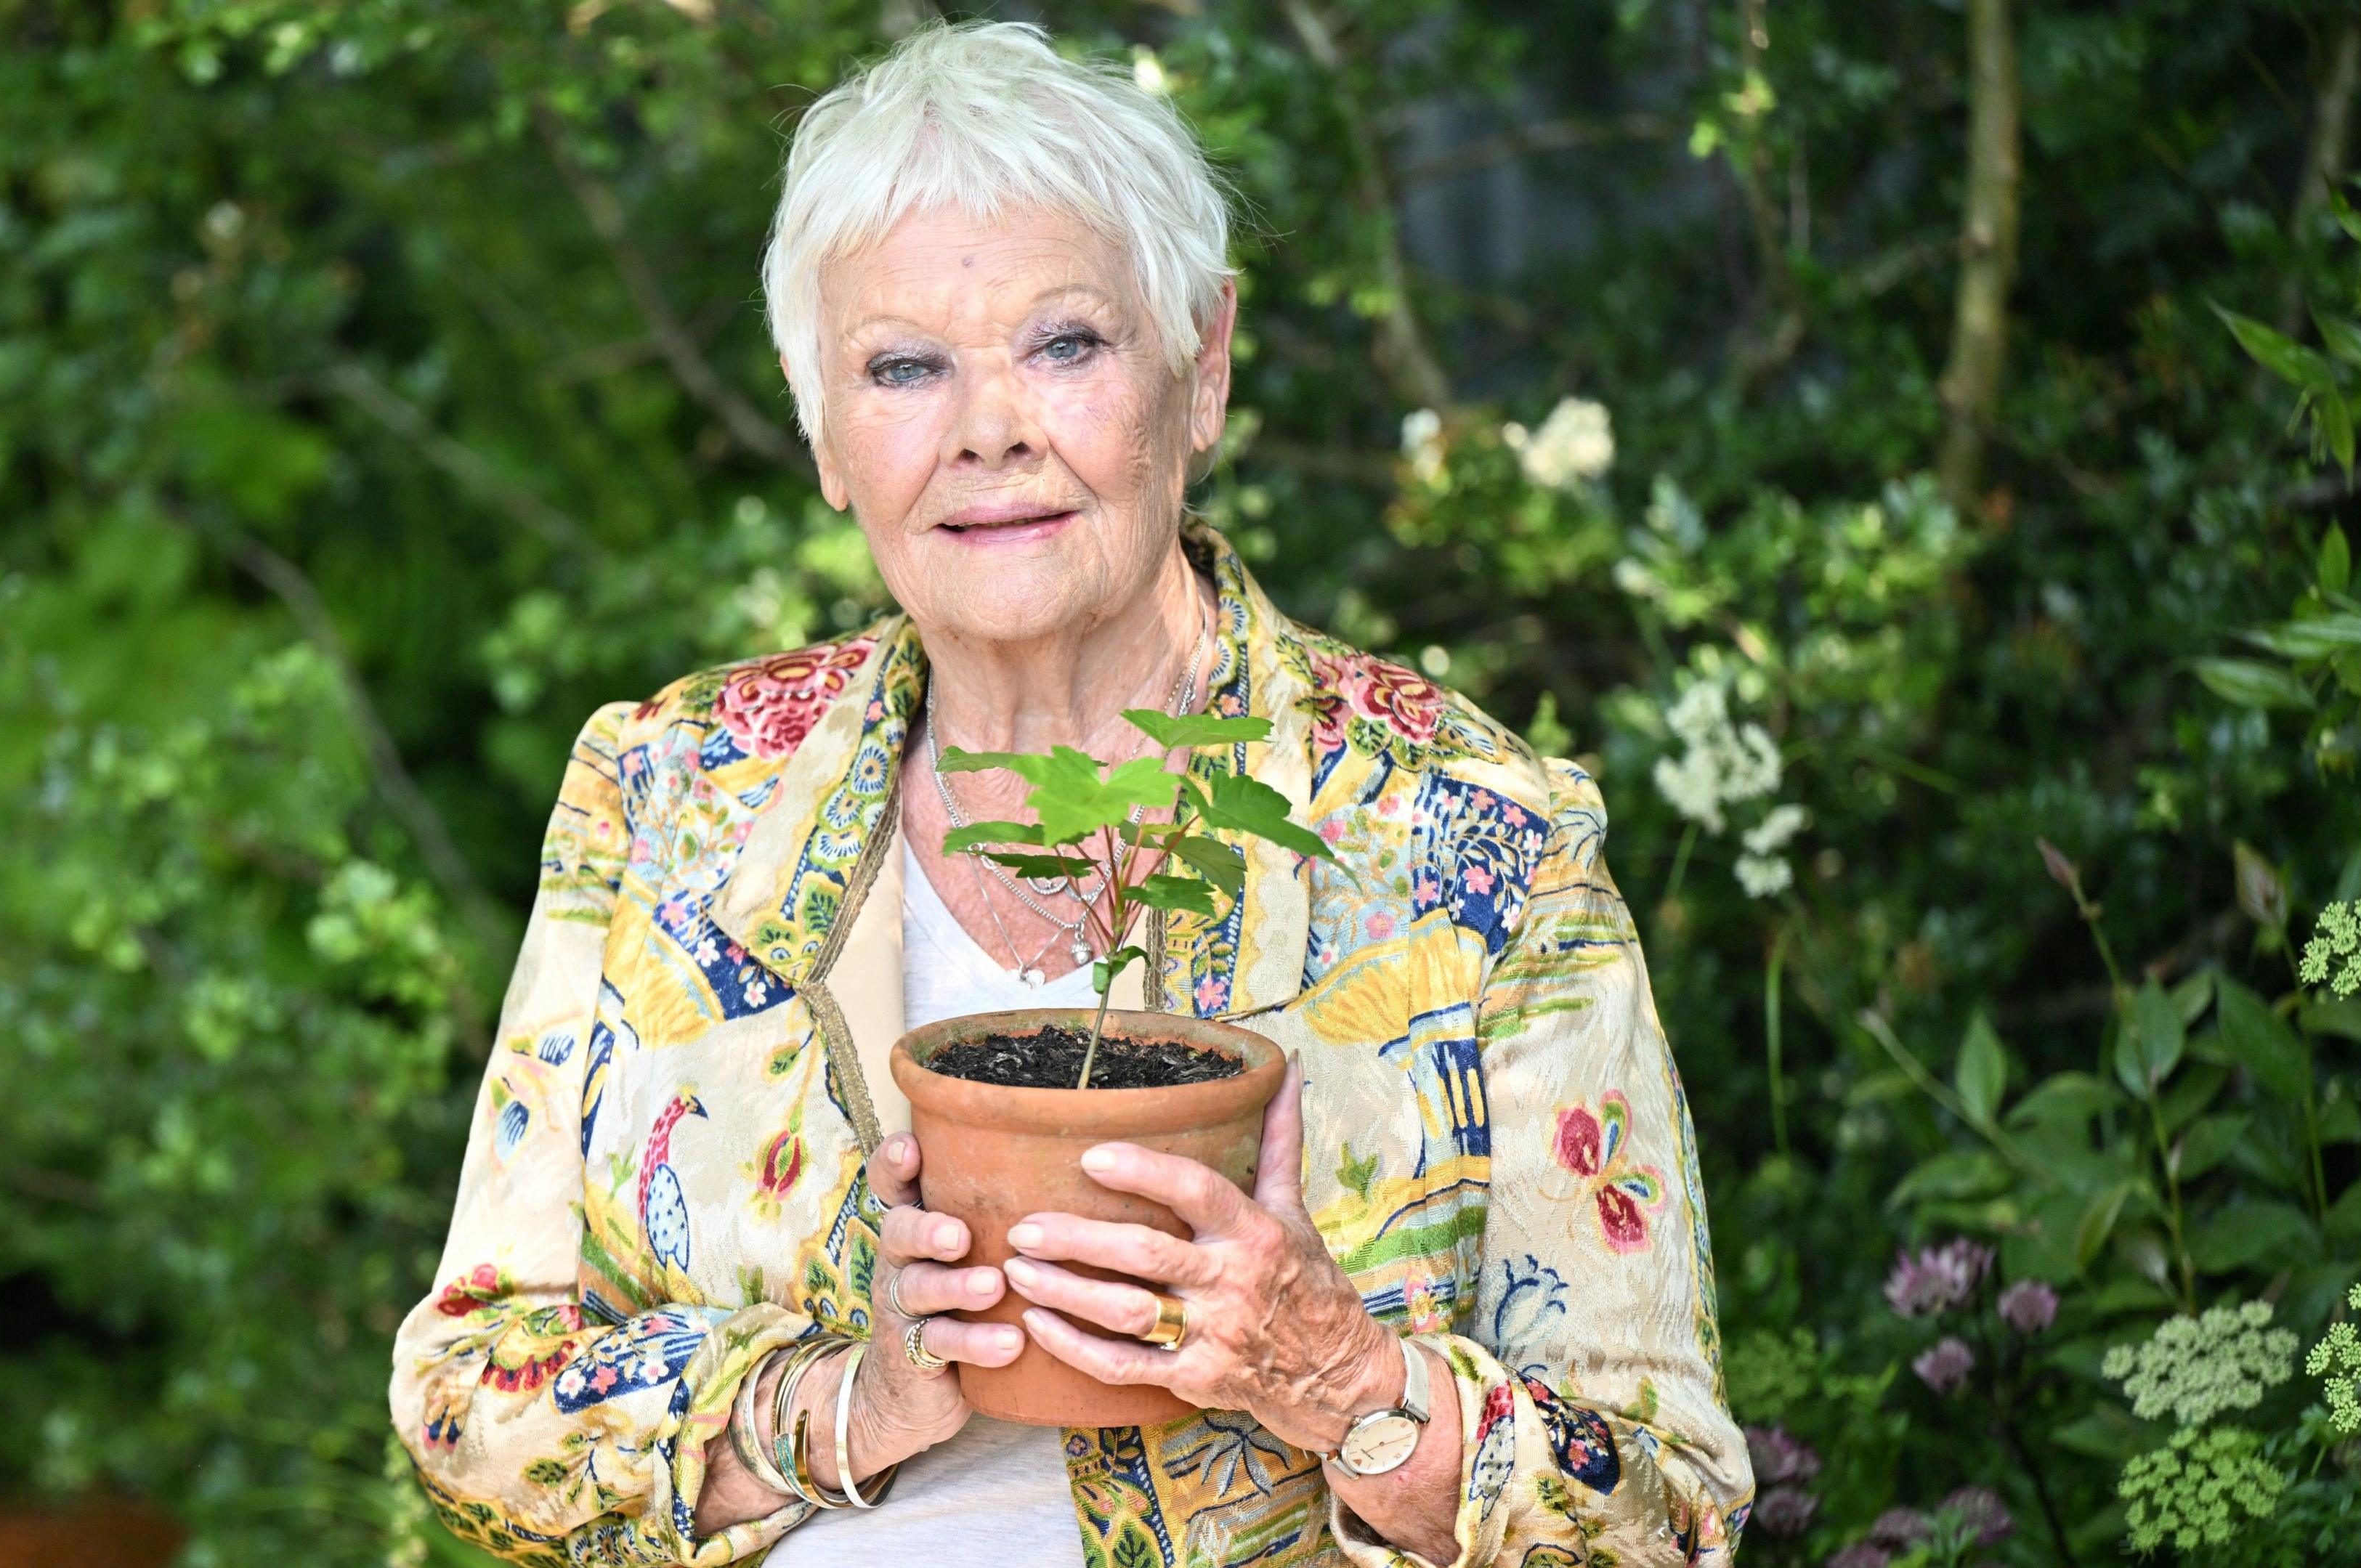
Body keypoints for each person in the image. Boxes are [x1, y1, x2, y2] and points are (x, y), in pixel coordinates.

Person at [387, 19, 1751, 1567]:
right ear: (823, 432)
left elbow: (1675, 1518)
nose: (988, 430)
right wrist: (839, 1406)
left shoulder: (1474, 839)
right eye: (902, 367)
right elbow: (467, 1399)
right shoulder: (673, 796)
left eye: (1064, 344)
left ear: (1205, 367)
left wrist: (1338, 1377)